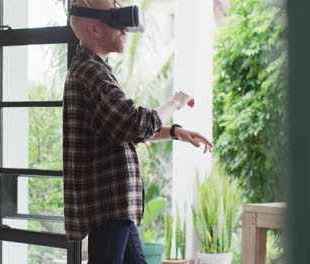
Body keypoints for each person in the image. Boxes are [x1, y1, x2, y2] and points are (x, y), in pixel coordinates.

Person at [62, 0, 214, 263]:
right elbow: (133, 123)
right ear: (94, 29)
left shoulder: (96, 70)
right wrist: (174, 103)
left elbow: (123, 129)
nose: (125, 29)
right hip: (109, 207)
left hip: (116, 208)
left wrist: (175, 132)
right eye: (116, 20)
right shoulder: (91, 72)